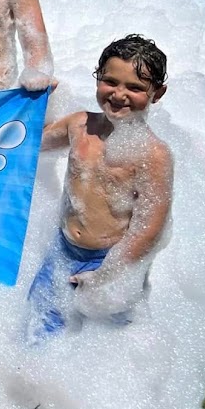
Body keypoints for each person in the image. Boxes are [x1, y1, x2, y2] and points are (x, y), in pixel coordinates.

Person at [26, 34, 173, 339]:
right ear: (97, 78)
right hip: (63, 249)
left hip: (111, 261)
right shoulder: (79, 124)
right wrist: (44, 99)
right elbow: (30, 142)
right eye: (110, 81)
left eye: (135, 88)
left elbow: (149, 230)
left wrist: (108, 273)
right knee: (40, 321)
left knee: (111, 338)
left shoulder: (154, 155)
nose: (119, 95)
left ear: (157, 93)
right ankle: (35, 377)